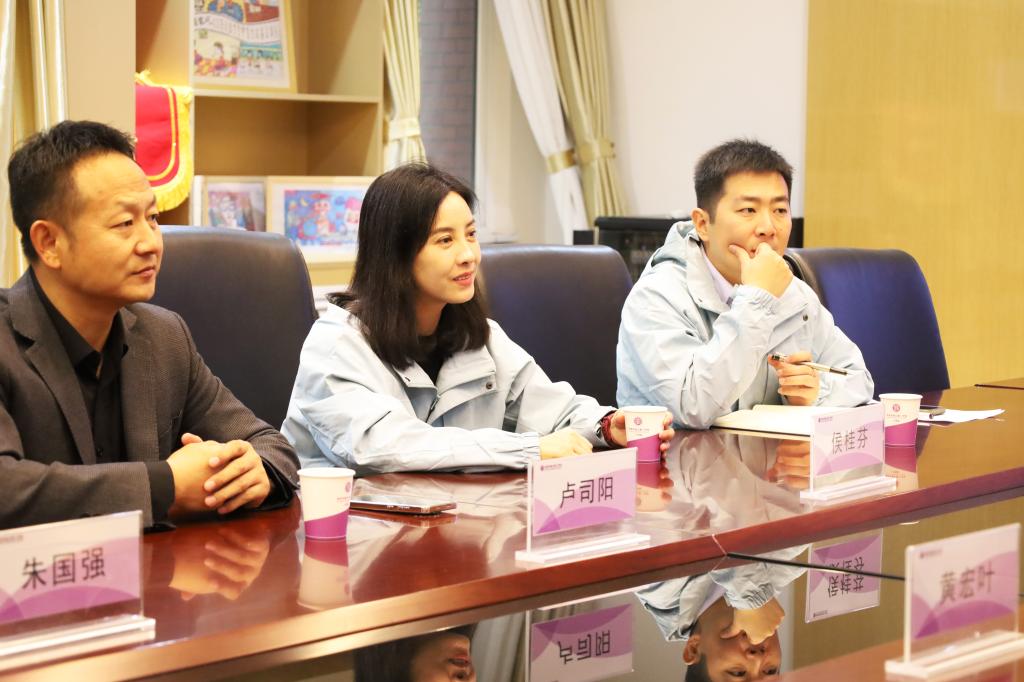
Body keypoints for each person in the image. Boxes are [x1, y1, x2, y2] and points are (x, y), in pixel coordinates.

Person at [0, 120, 298, 530]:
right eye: (124, 223)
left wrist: (252, 471)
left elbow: (269, 444)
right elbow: (7, 489)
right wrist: (167, 486)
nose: (151, 243)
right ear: (49, 243)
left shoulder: (164, 335)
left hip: (162, 569)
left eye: (153, 218)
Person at [283, 163, 672, 474]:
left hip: (454, 525)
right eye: (445, 240)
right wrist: (529, 450)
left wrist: (605, 426)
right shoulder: (335, 346)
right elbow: (386, 447)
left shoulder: (481, 337)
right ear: (395, 254)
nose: (468, 255)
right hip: (348, 536)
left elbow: (551, 409)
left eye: (471, 235)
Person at [617, 139, 873, 429]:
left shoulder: (793, 293)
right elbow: (693, 407)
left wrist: (816, 392)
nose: (768, 228)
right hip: (678, 458)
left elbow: (858, 379)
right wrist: (759, 297)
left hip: (767, 456)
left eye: (780, 210)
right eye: (748, 210)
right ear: (702, 224)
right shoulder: (656, 296)